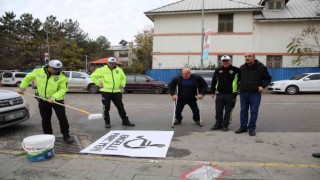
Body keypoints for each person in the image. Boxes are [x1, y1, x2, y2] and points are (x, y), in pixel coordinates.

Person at [17, 60, 74, 144]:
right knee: (45, 119)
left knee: (62, 118)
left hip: (57, 100)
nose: (57, 71)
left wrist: (54, 97)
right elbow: (28, 78)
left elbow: (63, 89)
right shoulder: (39, 71)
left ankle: (66, 135)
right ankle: (48, 137)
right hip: (43, 100)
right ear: (49, 67)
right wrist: (22, 88)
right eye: (55, 69)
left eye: (59, 69)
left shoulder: (62, 76)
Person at [91, 57, 135, 128]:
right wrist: (98, 83)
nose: (112, 65)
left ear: (115, 63)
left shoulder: (119, 70)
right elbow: (93, 76)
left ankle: (125, 121)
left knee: (120, 107)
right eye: (110, 63)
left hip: (117, 92)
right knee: (106, 108)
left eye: (113, 63)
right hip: (106, 92)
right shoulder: (102, 70)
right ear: (107, 63)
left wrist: (122, 85)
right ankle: (107, 122)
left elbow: (123, 78)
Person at [235, 52, 271, 136]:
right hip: (243, 93)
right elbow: (238, 79)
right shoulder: (242, 68)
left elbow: (268, 78)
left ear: (254, 57)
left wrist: (262, 86)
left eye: (249, 56)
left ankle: (251, 128)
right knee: (243, 111)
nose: (247, 58)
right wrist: (239, 86)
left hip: (255, 93)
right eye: (245, 56)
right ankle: (243, 127)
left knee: (253, 111)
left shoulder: (261, 67)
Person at [210, 55, 240, 131]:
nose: (225, 62)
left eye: (227, 61)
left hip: (231, 94)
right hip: (220, 93)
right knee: (218, 109)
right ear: (221, 62)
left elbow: (241, 80)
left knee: (228, 110)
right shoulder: (218, 70)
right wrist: (212, 92)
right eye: (224, 61)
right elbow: (214, 81)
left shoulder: (236, 70)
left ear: (230, 61)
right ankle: (218, 124)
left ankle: (225, 125)